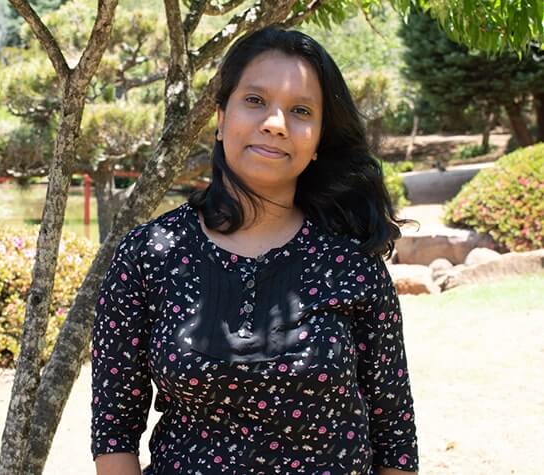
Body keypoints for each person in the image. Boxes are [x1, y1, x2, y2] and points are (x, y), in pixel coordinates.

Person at [90, 26, 418, 475]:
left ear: (319, 139)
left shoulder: (350, 263)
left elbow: (395, 437)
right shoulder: (148, 254)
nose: (275, 123)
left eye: (301, 110)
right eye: (255, 101)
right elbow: (114, 434)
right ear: (221, 118)